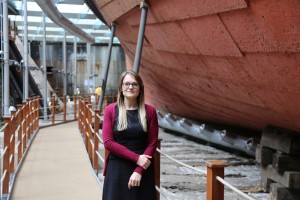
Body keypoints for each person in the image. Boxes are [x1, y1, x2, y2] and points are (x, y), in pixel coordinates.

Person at [102, 70, 158, 200]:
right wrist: (137, 158)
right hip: (117, 169)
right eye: (126, 84)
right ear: (121, 88)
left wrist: (139, 170)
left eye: (134, 84)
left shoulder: (150, 111)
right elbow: (108, 142)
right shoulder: (110, 110)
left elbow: (152, 143)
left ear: (140, 88)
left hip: (142, 168)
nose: (130, 87)